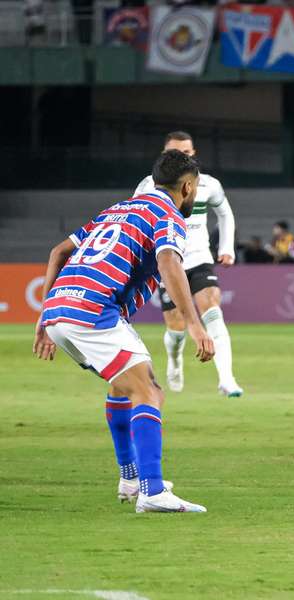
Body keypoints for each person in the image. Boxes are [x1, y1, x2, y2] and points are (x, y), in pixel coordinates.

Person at [33, 150, 214, 513]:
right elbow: (168, 263)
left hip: (60, 311)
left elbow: (58, 251)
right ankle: (152, 492)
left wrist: (42, 318)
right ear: (188, 187)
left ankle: (131, 479)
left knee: (123, 385)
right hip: (94, 310)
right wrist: (195, 324)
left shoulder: (117, 209)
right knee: (149, 392)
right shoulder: (167, 215)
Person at [134, 131, 241, 398]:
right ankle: (175, 357)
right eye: (176, 152)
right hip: (168, 263)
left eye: (187, 152)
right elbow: (136, 221)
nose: (182, 156)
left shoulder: (208, 185)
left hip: (199, 258)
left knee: (211, 304)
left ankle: (226, 378)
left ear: (194, 154)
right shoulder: (148, 186)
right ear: (164, 155)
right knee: (176, 326)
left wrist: (226, 248)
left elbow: (225, 214)